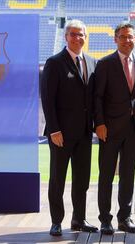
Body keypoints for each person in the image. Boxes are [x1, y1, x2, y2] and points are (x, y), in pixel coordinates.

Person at [41, 19, 98, 236]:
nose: (77, 37)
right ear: (66, 37)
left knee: (82, 179)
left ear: (85, 37)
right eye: (73, 34)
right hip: (60, 134)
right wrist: (54, 129)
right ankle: (56, 221)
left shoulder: (92, 62)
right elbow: (47, 98)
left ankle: (79, 218)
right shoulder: (54, 62)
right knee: (57, 178)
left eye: (81, 34)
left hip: (84, 133)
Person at [94, 22, 135, 234]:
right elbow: (97, 97)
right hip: (109, 128)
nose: (127, 40)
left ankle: (125, 218)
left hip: (133, 129)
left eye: (131, 37)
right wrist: (99, 123)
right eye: (123, 37)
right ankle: (105, 219)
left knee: (128, 175)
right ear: (115, 39)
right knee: (106, 175)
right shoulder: (105, 63)